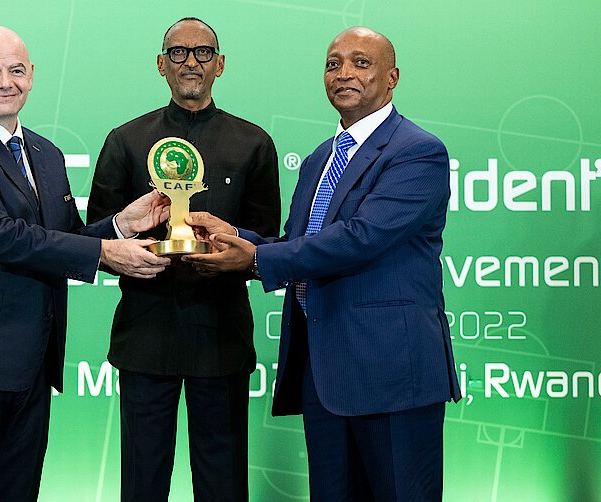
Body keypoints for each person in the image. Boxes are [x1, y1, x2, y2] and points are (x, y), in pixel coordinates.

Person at [184, 26, 461, 501]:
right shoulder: (319, 159)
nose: (343, 73)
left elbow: (361, 238)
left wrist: (256, 260)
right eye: (333, 64)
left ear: (392, 77)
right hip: (324, 372)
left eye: (360, 62)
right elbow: (302, 243)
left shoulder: (417, 151)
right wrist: (234, 236)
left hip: (392, 372)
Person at [0, 26, 171, 501]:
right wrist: (105, 253)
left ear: (32, 76)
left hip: (29, 367)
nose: (5, 82)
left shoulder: (47, 153)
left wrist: (121, 226)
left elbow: (63, 238)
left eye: (16, 70)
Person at [86, 17, 280, 502]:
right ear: (160, 65)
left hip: (222, 336)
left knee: (223, 483)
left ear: (220, 65)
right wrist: (128, 255)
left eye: (202, 52)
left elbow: (269, 242)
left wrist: (232, 250)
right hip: (145, 335)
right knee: (142, 483)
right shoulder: (125, 140)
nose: (190, 61)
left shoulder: (254, 143)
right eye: (177, 52)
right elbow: (94, 240)